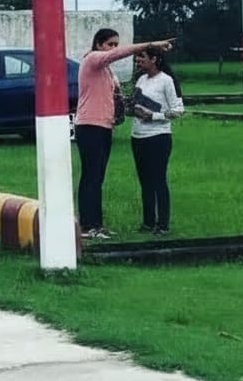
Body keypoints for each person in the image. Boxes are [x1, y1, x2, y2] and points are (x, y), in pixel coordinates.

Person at [74, 28, 175, 239]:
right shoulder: (92, 59)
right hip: (90, 125)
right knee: (91, 176)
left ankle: (96, 224)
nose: (113, 48)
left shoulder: (106, 70)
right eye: (110, 44)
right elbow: (121, 54)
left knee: (97, 177)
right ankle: (88, 226)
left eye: (115, 45)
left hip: (104, 126)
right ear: (99, 44)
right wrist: (151, 45)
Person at [130, 46, 184, 236]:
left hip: (158, 137)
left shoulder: (166, 81)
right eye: (137, 58)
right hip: (138, 136)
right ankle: (148, 222)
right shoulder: (141, 79)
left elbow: (178, 110)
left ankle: (163, 224)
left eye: (142, 57)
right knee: (145, 181)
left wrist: (153, 116)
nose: (138, 61)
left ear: (154, 59)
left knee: (158, 180)